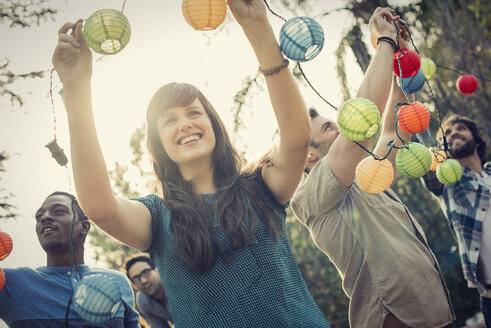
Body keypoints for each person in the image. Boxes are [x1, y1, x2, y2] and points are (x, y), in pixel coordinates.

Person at [52, 0, 329, 326]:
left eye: (194, 113)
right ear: (159, 144)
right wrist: (76, 88)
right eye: (169, 120)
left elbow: (296, 140)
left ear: (213, 125)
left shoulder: (259, 186)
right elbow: (101, 207)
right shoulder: (156, 218)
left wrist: (257, 27)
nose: (184, 123)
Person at [291, 7, 455, 328]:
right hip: (393, 318)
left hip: (432, 313)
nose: (338, 129)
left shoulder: (367, 172)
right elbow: (361, 121)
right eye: (328, 129)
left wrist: (400, 61)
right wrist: (384, 40)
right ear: (309, 156)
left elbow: (394, 129)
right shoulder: (310, 197)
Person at [0, 191, 140, 327]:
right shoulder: (10, 283)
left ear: (84, 227)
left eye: (59, 211)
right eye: (39, 216)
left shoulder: (117, 281)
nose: (44, 218)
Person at [422, 114, 490, 327]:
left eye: (460, 128)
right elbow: (421, 150)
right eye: (447, 134)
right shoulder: (447, 182)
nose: (453, 133)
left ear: (476, 140)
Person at [125, 255, 173, 328]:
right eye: (136, 278)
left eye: (145, 272)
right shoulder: (142, 301)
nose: (143, 281)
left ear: (157, 269)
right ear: (134, 285)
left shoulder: (174, 283)